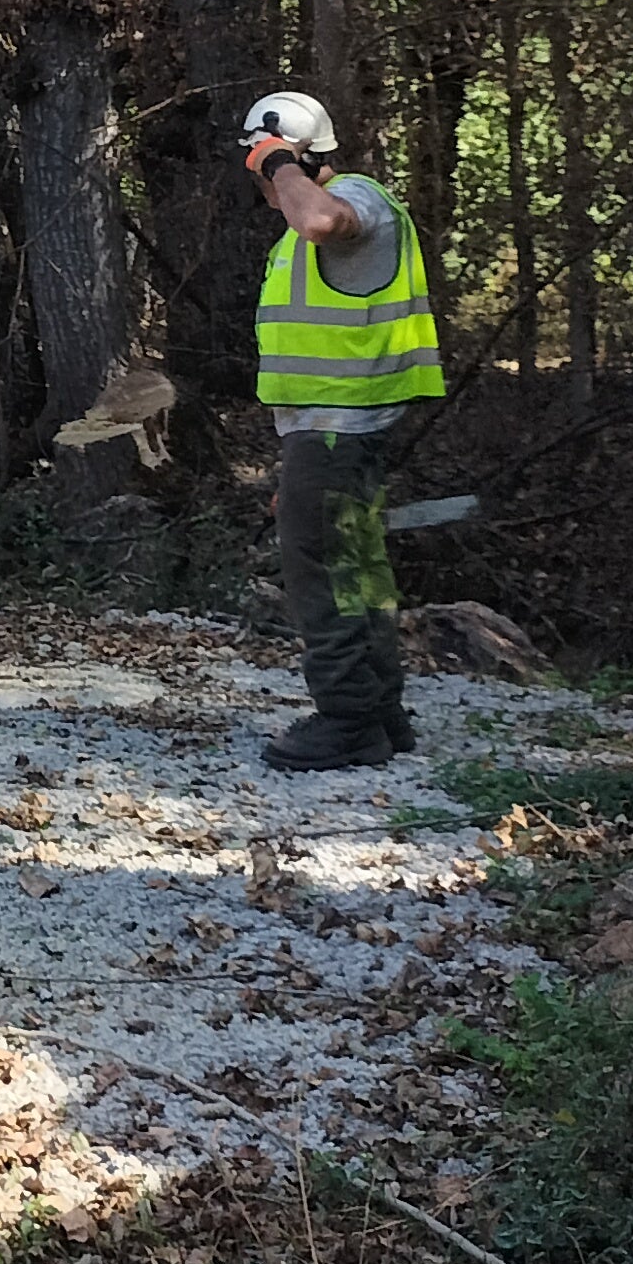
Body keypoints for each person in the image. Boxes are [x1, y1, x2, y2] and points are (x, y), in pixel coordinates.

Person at [242, 89, 446, 769]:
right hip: (328, 436)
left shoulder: (356, 198)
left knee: (322, 576)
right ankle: (380, 713)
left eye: (260, 162)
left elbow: (321, 218)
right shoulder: (320, 221)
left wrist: (277, 162)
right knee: (357, 572)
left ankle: (349, 721)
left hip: (337, 432)